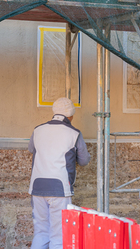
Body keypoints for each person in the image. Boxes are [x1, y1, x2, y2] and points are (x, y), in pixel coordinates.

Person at [28, 97, 90, 249]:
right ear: (71, 116)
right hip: (59, 189)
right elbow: (84, 160)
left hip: (37, 187)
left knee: (41, 232)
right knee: (58, 234)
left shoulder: (38, 129)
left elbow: (31, 149)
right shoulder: (74, 133)